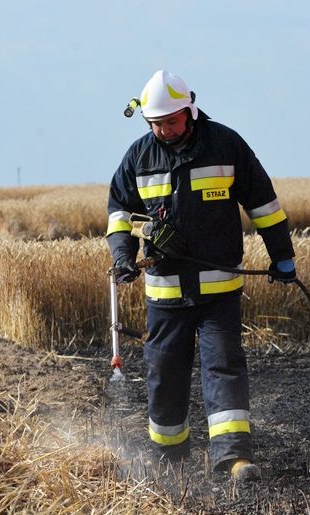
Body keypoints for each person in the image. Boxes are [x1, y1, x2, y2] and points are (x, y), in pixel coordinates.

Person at [106, 70, 296, 481]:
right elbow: (119, 213)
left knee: (223, 367)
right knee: (164, 375)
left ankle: (233, 458)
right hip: (165, 294)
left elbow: (263, 204)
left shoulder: (225, 145)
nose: (164, 130)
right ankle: (169, 459)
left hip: (218, 292)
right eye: (156, 124)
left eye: (171, 121)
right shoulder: (139, 157)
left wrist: (282, 255)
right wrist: (123, 256)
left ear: (189, 110)